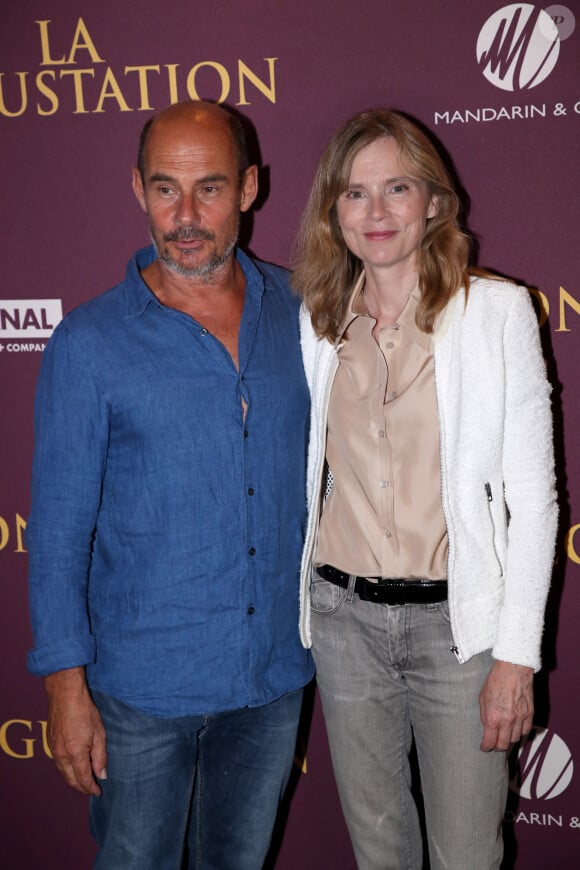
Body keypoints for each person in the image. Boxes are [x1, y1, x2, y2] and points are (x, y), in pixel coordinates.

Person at [26, 99, 314, 870]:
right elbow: (56, 530)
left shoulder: (306, 313)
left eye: (210, 189)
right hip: (139, 696)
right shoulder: (89, 343)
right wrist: (65, 691)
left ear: (250, 187)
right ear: (137, 189)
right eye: (165, 189)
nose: (186, 216)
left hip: (272, 678)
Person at [292, 109, 557, 869]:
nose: (375, 213)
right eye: (353, 193)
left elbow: (533, 500)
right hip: (343, 624)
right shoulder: (315, 322)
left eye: (397, 188)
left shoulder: (496, 313)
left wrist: (516, 658)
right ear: (332, 212)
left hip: (458, 632)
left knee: (469, 853)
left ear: (434, 202)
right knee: (380, 852)